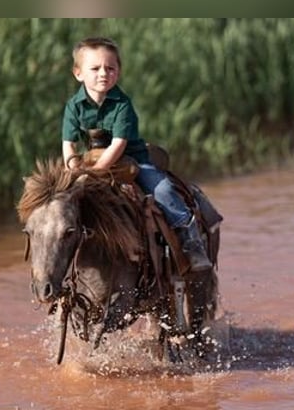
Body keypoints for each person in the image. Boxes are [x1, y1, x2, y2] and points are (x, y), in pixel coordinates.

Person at [61, 36, 212, 272]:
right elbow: (68, 143)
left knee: (162, 189)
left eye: (110, 68)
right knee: (59, 204)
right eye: (95, 68)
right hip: (89, 162)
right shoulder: (73, 106)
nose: (103, 73)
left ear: (118, 73)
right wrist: (72, 172)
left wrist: (93, 175)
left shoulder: (122, 104)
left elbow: (118, 145)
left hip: (131, 161)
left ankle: (188, 236)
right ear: (78, 73)